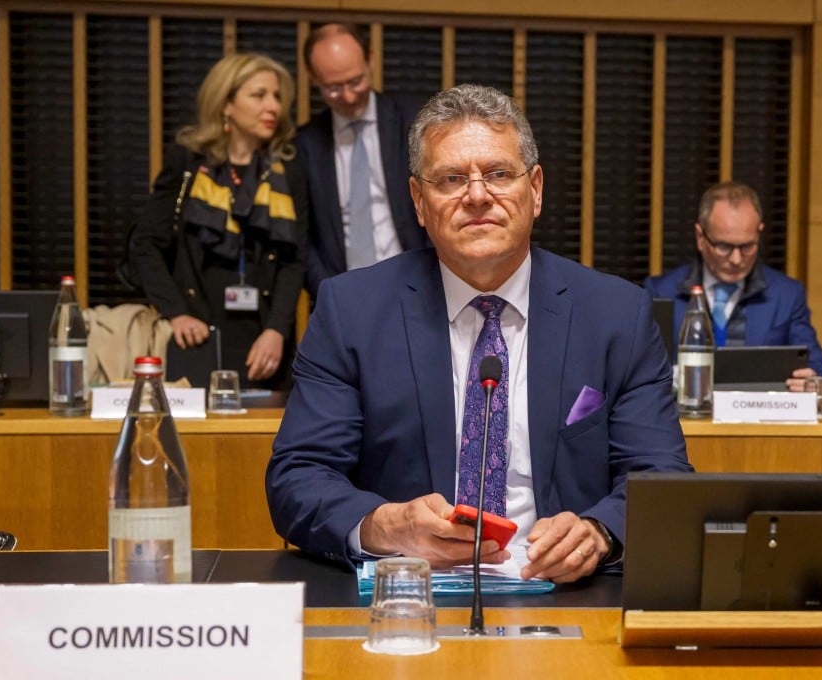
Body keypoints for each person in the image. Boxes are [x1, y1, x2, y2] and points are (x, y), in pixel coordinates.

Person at [266, 84, 692, 584]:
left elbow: (661, 477)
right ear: (418, 201)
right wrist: (386, 526)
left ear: (535, 189)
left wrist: (599, 534)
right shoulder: (352, 311)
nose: (476, 195)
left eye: (498, 174)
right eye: (451, 179)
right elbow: (298, 477)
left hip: (566, 594)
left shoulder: (616, 314)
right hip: (408, 593)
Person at [130, 53, 307, 390]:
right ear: (226, 103)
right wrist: (176, 313)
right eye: (259, 95)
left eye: (277, 96)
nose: (273, 106)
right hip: (196, 334)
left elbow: (294, 261)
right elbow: (146, 245)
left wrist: (277, 330)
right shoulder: (187, 162)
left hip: (264, 341)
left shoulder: (287, 169)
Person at [644, 181, 822, 394]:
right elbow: (640, 377)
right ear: (700, 237)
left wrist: (813, 383)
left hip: (758, 413)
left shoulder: (787, 295)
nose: (736, 259)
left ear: (759, 233)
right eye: (724, 246)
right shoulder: (660, 292)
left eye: (747, 246)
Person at [296, 23, 428, 297]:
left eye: (355, 81)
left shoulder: (414, 122)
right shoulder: (305, 145)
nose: (348, 95)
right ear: (313, 78)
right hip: (342, 296)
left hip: (418, 287)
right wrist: (330, 293)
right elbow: (303, 239)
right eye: (333, 88)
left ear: (370, 60)